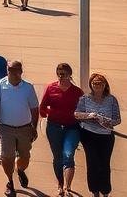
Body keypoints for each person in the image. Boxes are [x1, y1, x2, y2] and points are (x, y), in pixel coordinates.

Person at [0, 60, 39, 197]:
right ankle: (10, 182)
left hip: (24, 128)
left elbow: (35, 109)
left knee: (25, 157)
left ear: (21, 71)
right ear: (7, 71)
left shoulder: (28, 87)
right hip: (6, 128)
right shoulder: (0, 85)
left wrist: (34, 127)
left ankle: (20, 169)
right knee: (7, 157)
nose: (15, 73)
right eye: (12, 70)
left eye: (18, 70)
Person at [40, 63, 84, 197]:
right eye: (58, 72)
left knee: (68, 154)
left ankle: (68, 185)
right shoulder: (50, 88)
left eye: (63, 73)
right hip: (54, 127)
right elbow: (42, 107)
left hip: (72, 127)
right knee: (58, 157)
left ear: (70, 75)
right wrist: (50, 113)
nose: (60, 75)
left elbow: (83, 110)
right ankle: (60, 183)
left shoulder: (77, 92)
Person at [75, 73, 121, 197]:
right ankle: (94, 191)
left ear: (105, 85)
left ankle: (105, 191)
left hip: (106, 136)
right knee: (92, 163)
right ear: (91, 85)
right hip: (88, 135)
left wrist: (104, 120)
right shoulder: (85, 98)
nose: (97, 85)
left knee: (104, 164)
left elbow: (117, 119)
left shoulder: (111, 99)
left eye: (100, 83)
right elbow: (77, 114)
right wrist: (89, 116)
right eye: (95, 83)